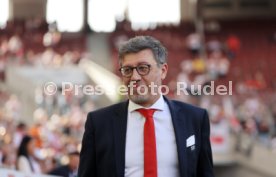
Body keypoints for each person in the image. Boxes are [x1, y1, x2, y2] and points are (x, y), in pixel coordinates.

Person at [78, 36, 214, 177]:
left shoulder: (195, 118)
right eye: (128, 70)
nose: (135, 77)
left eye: (143, 68)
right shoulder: (99, 122)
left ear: (163, 70)